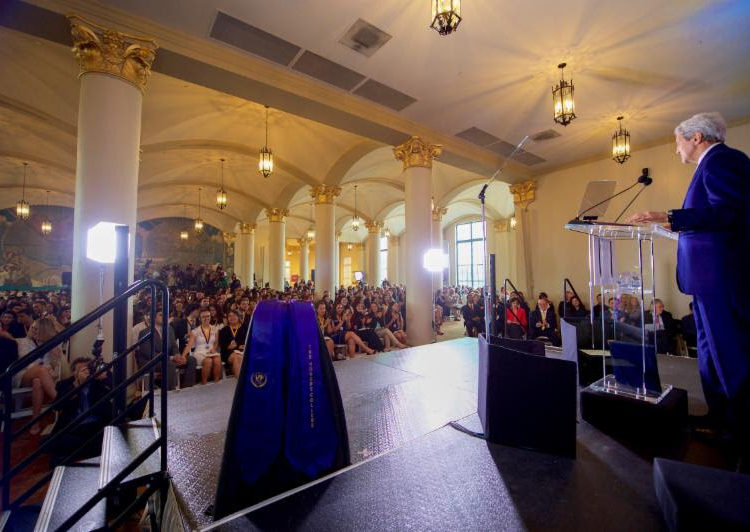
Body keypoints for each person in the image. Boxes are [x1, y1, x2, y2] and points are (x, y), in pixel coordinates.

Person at [627, 112, 750, 463]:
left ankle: (741, 432)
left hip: (720, 278)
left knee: (732, 357)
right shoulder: (710, 166)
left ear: (696, 137)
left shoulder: (723, 161)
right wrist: (671, 223)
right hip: (707, 279)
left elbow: (727, 213)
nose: (676, 149)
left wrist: (668, 217)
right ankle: (719, 418)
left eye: (678, 141)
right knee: (712, 356)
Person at [50, 357, 111, 465]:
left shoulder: (97, 382)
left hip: (95, 425)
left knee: (106, 439)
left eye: (88, 369)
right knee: (60, 443)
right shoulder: (65, 384)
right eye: (81, 370)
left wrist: (103, 376)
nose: (86, 372)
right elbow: (57, 406)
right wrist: (77, 387)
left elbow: (114, 385)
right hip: (75, 426)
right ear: (74, 372)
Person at [138, 310, 196, 390]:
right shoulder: (144, 332)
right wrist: (171, 358)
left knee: (191, 360)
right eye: (161, 315)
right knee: (169, 364)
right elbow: (148, 353)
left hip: (168, 359)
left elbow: (174, 346)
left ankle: (187, 388)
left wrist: (178, 355)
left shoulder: (170, 329)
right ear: (153, 318)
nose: (165, 317)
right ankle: (169, 392)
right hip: (151, 361)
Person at [183, 309, 221, 384]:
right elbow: (189, 345)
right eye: (203, 317)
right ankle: (204, 383)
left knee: (217, 359)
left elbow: (216, 342)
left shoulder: (215, 329)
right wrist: (183, 356)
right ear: (200, 318)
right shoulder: (195, 331)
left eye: (208, 316)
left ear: (210, 317)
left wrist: (214, 348)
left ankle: (217, 382)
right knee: (208, 361)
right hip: (200, 352)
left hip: (211, 351)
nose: (206, 318)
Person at [218, 309, 248, 376]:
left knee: (241, 356)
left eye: (234, 315)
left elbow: (248, 341)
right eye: (229, 316)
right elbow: (222, 345)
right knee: (237, 357)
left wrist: (241, 346)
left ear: (238, 317)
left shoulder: (245, 328)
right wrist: (229, 346)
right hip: (228, 353)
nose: (232, 318)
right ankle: (240, 381)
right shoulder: (224, 330)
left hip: (243, 351)